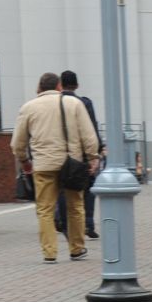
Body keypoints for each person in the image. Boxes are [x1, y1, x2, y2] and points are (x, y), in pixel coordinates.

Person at [11, 72, 101, 262]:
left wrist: (24, 161)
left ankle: (49, 252)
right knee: (75, 206)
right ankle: (77, 248)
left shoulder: (28, 107)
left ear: (40, 87)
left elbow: (18, 142)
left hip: (43, 164)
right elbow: (88, 135)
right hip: (72, 163)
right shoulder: (74, 104)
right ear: (59, 86)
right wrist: (93, 157)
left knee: (45, 209)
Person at [53, 72, 104, 238]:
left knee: (62, 189)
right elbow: (91, 129)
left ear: (60, 85)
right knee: (87, 188)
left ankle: (62, 221)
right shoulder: (84, 103)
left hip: (59, 153)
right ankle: (88, 224)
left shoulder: (53, 103)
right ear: (77, 85)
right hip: (80, 155)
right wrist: (96, 153)